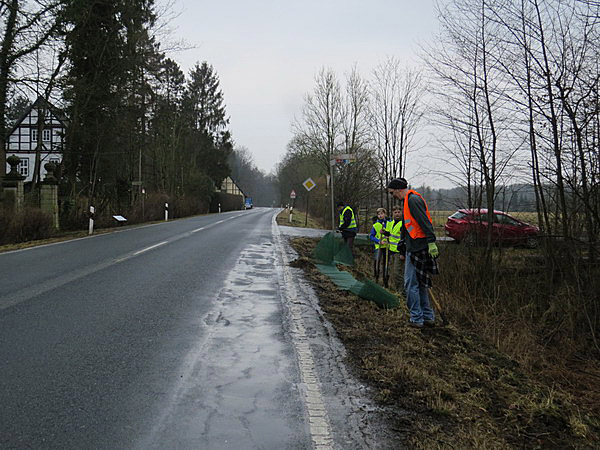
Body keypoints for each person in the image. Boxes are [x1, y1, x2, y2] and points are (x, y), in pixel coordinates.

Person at [387, 178, 439, 328]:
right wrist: (403, 246)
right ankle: (427, 317)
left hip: (419, 248)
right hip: (413, 247)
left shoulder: (413, 200)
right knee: (420, 284)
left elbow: (425, 222)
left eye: (392, 193)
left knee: (410, 285)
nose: (392, 196)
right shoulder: (407, 202)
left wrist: (431, 241)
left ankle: (416, 318)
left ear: (397, 189)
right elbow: (407, 227)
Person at [385, 206, 405, 290]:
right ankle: (395, 289)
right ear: (392, 213)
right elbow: (390, 234)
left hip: (399, 252)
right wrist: (385, 232)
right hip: (391, 250)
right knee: (392, 272)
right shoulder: (391, 223)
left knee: (398, 273)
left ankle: (402, 292)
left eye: (398, 212)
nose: (397, 214)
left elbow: (404, 240)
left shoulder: (403, 224)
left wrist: (402, 253)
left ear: (401, 213)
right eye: (395, 212)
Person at [369, 208, 391, 282]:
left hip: (387, 246)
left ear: (385, 214)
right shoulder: (375, 225)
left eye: (382, 213)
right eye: (379, 214)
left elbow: (392, 233)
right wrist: (378, 241)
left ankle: (385, 279)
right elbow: (371, 236)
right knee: (377, 261)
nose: (380, 215)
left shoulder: (389, 223)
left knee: (386, 263)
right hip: (379, 246)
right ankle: (376, 276)